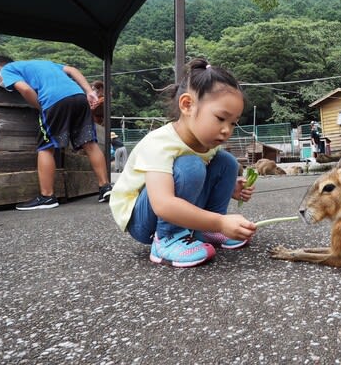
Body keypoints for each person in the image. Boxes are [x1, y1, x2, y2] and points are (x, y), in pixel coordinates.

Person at [108, 58, 257, 268]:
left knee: (226, 162)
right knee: (190, 165)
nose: (227, 130)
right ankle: (167, 238)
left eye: (233, 123)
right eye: (220, 118)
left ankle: (206, 231)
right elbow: (163, 204)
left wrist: (231, 189)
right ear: (187, 105)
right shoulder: (160, 144)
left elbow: (208, 178)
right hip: (143, 220)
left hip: (173, 206)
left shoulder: (208, 142)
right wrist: (221, 222)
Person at [0, 55, 113, 210]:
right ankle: (105, 187)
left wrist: (41, 107)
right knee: (90, 144)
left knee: (46, 148)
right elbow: (72, 70)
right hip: (79, 97)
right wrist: (89, 91)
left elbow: (25, 89)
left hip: (54, 100)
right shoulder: (42, 63)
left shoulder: (6, 70)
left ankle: (47, 196)